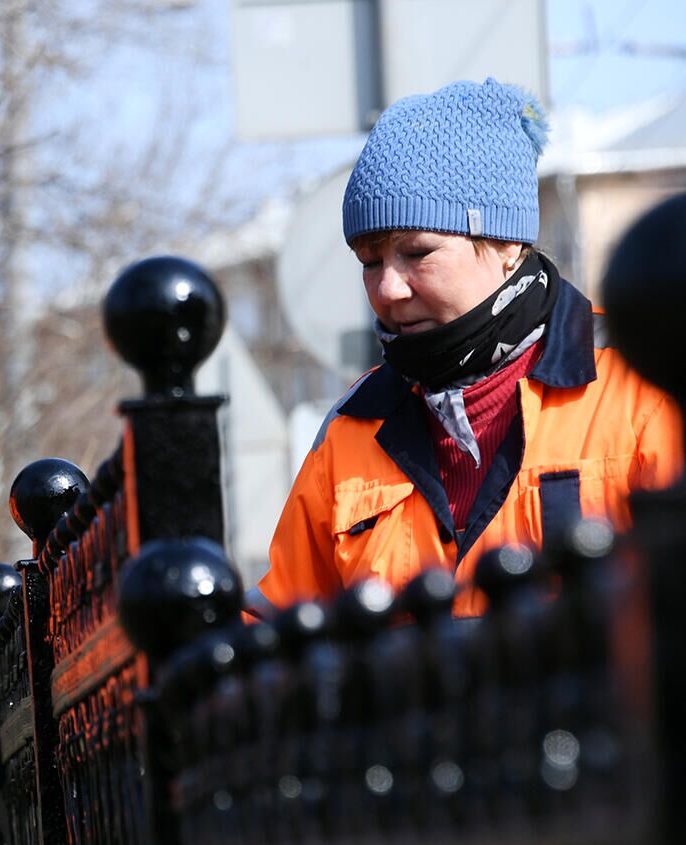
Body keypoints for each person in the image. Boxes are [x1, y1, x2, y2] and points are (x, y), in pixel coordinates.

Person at [250, 79, 683, 618]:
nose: (389, 289)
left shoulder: (642, 383)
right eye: (370, 260)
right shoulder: (350, 429)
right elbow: (275, 638)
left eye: (417, 252)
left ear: (507, 243)